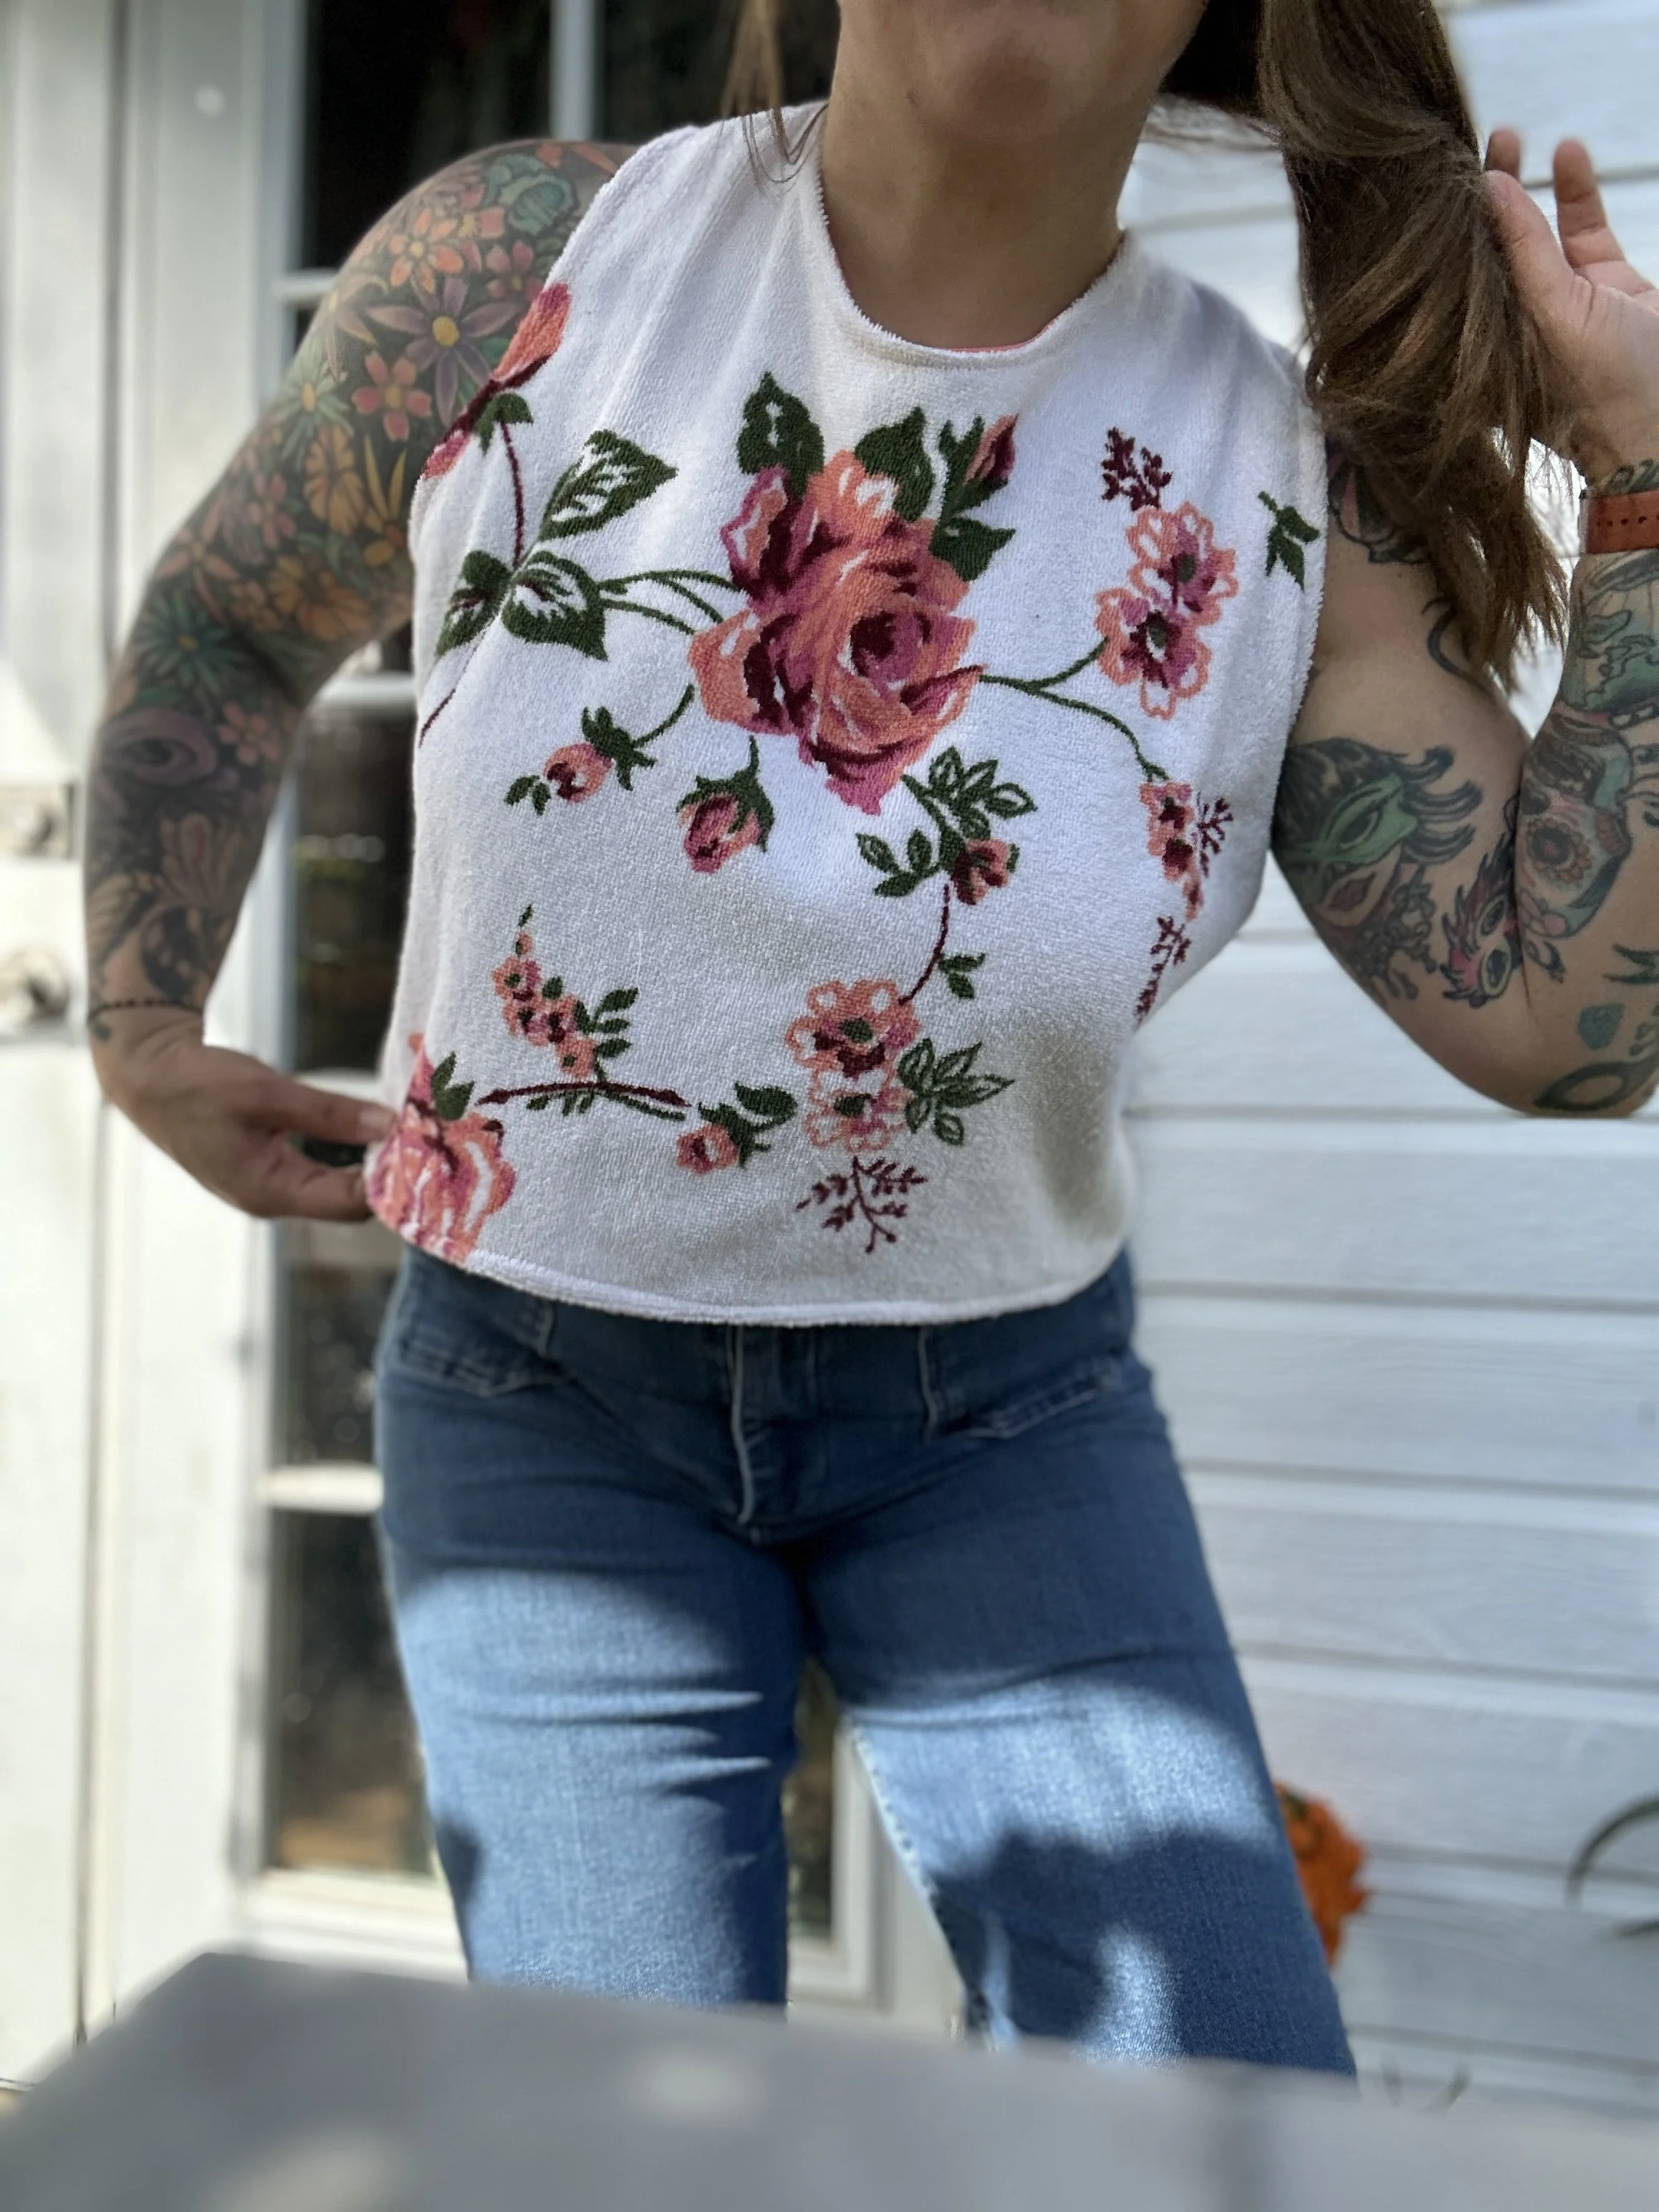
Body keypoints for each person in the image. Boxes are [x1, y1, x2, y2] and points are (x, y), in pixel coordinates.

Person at [82, 0, 1659, 2071]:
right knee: (636, 2156)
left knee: (1223, 2138)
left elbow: (1560, 1015)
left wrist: (1644, 484)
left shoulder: (1282, 479)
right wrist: (138, 1012)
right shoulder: (518, 269)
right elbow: (229, 616)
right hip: (541, 1405)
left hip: (1003, 1421)